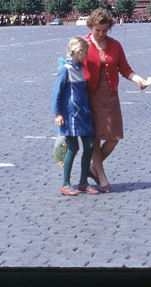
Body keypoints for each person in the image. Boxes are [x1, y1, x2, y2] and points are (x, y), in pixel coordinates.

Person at [84, 8, 151, 193]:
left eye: (105, 30)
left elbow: (125, 69)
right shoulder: (83, 44)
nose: (101, 34)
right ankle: (102, 176)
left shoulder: (115, 45)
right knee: (95, 138)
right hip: (90, 96)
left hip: (110, 95)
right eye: (98, 30)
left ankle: (92, 168)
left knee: (114, 137)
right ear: (91, 26)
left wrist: (138, 80)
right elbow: (71, 67)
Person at [51, 37, 99, 196]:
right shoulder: (65, 69)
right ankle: (66, 183)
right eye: (85, 53)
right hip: (70, 116)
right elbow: (56, 93)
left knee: (90, 146)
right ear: (78, 52)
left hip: (83, 115)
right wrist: (57, 113)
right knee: (73, 147)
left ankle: (83, 182)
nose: (86, 56)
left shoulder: (79, 68)